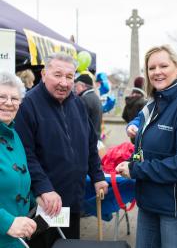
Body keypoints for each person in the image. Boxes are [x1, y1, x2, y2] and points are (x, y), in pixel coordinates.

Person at [15, 52, 108, 248]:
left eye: (69, 76)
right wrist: (44, 188)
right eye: (57, 75)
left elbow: (90, 143)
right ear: (43, 74)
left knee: (67, 244)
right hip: (42, 202)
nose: (64, 83)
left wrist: (98, 176)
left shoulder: (77, 103)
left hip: (72, 199)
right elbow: (25, 153)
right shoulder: (28, 104)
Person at [116, 44, 177, 248]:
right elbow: (141, 151)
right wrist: (130, 162)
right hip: (148, 204)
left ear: (176, 68)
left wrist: (136, 169)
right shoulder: (151, 106)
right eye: (152, 68)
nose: (157, 72)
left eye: (163, 66)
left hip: (173, 209)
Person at [0, 72, 37, 248]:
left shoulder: (14, 135)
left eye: (14, 98)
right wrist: (6, 222)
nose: (8, 103)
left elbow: (18, 181)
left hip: (16, 241)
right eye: (2, 97)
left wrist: (37, 200)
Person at [74, 72, 103, 140]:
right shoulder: (94, 96)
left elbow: (80, 124)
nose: (75, 89)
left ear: (83, 86)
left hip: (88, 139)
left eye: (76, 86)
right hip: (95, 138)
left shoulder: (84, 99)